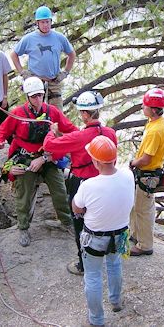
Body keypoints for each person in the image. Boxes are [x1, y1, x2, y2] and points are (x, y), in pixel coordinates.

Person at [0, 76, 78, 247]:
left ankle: (66, 222)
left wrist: (84, 137)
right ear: (27, 97)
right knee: (24, 192)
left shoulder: (52, 112)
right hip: (25, 157)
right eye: (34, 96)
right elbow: (2, 130)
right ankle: (23, 227)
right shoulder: (18, 113)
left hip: (47, 157)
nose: (38, 99)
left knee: (60, 190)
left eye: (40, 95)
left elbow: (70, 129)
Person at [43, 91, 117, 276]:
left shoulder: (80, 137)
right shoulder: (110, 133)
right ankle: (107, 252)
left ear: (85, 114)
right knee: (102, 220)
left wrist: (51, 133)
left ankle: (84, 264)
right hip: (105, 183)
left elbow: (50, 147)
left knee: (81, 224)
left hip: (81, 183)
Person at [72, 136, 134, 327]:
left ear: (96, 161)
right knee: (114, 265)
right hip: (120, 233)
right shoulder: (128, 175)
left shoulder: (88, 185)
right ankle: (116, 301)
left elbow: (77, 208)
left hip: (95, 237)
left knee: (93, 276)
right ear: (114, 159)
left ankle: (97, 319)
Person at [10, 6, 76, 110]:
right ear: (37, 23)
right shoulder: (29, 38)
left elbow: (72, 54)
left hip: (54, 81)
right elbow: (14, 54)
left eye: (47, 22)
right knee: (34, 112)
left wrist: (65, 72)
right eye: (42, 22)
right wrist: (22, 72)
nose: (45, 25)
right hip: (35, 81)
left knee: (57, 113)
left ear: (51, 21)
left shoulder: (59, 37)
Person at [129, 88, 164, 256]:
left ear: (153, 109)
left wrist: (133, 162)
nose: (142, 107)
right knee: (137, 206)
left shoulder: (155, 130)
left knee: (143, 210)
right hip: (146, 174)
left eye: (145, 105)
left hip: (148, 173)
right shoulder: (155, 122)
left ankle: (145, 245)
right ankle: (136, 234)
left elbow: (146, 159)